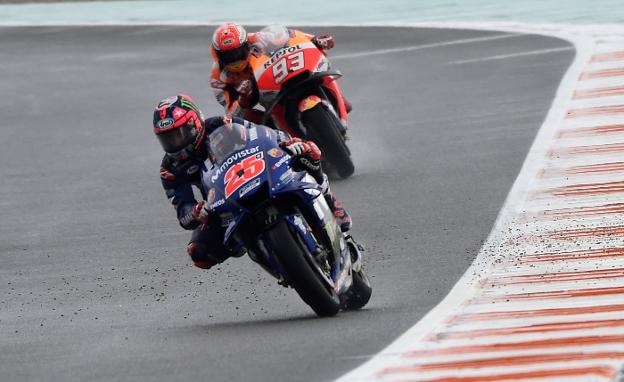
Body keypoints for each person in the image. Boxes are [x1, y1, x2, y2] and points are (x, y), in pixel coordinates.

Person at [153, 94, 352, 269]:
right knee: (199, 253)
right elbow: (183, 211)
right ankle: (260, 250)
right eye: (168, 139)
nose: (175, 142)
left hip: (256, 173)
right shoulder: (170, 168)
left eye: (179, 135)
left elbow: (262, 135)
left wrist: (287, 143)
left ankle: (332, 204)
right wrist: (196, 211)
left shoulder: (222, 124)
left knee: (308, 153)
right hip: (220, 202)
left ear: (194, 124)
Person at [209, 22, 351, 123]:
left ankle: (336, 102)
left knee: (344, 102)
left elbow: (292, 36)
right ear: (218, 56)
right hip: (262, 98)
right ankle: (283, 146)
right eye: (229, 56)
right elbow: (232, 114)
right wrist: (243, 98)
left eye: (238, 51)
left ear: (246, 44)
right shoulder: (218, 78)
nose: (235, 58)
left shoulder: (258, 39)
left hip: (278, 77)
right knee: (247, 120)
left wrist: (314, 39)